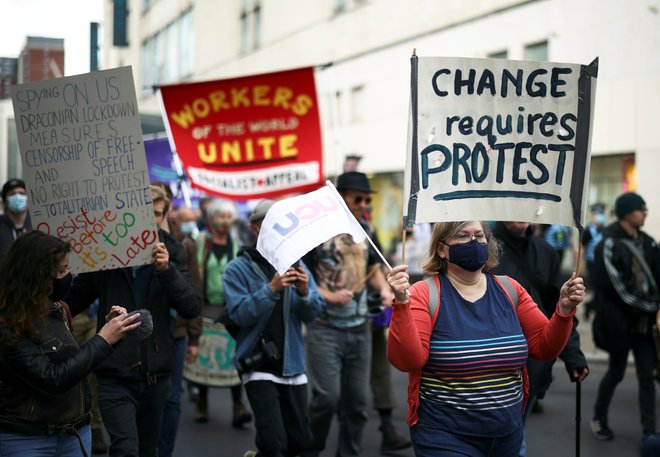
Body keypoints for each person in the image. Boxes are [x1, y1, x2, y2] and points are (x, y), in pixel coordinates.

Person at [386, 220, 585, 456]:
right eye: (462, 235)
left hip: (508, 435)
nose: (474, 242)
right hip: (445, 437)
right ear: (441, 249)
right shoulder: (424, 293)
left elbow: (544, 347)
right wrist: (401, 303)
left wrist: (563, 310)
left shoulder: (510, 289)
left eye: (479, 236)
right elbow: (407, 360)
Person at [65, 185, 202, 457]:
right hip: (114, 371)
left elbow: (191, 306)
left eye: (158, 215)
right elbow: (73, 300)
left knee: (148, 450)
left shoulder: (172, 252)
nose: (152, 222)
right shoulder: (105, 254)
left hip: (156, 373)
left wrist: (168, 271)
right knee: (125, 448)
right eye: (146, 214)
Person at [0, 231, 142, 456]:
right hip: (27, 439)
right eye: (62, 271)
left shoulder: (57, 310)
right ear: (38, 275)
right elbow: (53, 377)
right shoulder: (8, 322)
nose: (68, 276)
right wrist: (103, 339)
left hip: (74, 434)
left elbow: (75, 363)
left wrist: (112, 333)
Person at [302, 171, 394, 457]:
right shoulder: (316, 230)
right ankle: (312, 449)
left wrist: (385, 290)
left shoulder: (367, 228)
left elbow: (373, 268)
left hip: (360, 328)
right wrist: (327, 295)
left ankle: (349, 453)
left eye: (367, 198)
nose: (364, 203)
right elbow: (301, 273)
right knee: (327, 398)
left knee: (357, 402)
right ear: (340, 198)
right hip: (324, 327)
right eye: (358, 198)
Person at [223, 199, 325, 457]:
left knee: (300, 442)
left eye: (283, 224)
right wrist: (271, 289)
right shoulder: (237, 269)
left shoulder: (297, 263)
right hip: (257, 365)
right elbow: (238, 315)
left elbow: (313, 311)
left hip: (292, 365)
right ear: (256, 229)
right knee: (273, 444)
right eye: (272, 224)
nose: (280, 229)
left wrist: (304, 292)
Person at [490, 221, 589, 456]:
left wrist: (573, 355)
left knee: (514, 437)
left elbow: (561, 309)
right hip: (491, 363)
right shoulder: (484, 247)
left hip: (535, 363)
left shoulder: (545, 251)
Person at [590, 192, 660, 442]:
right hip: (618, 322)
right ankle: (599, 417)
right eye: (641, 209)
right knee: (616, 372)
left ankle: (650, 433)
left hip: (644, 325)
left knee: (646, 378)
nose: (645, 213)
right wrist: (653, 306)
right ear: (627, 213)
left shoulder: (649, 243)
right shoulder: (608, 244)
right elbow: (619, 291)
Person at [190, 198, 252, 426]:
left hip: (230, 308)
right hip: (206, 307)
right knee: (205, 355)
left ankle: (238, 406)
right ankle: (202, 403)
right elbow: (194, 271)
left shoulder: (235, 243)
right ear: (211, 219)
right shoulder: (202, 242)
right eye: (220, 216)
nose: (224, 221)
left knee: (232, 356)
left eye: (228, 217)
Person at [158, 206, 203, 457]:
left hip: (178, 333)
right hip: (151, 333)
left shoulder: (186, 246)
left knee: (173, 397)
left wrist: (195, 337)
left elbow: (195, 294)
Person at [580, 203, 607, 319]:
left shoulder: (605, 230)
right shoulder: (588, 231)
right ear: (592, 215)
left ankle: (590, 307)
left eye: (602, 213)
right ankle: (590, 307)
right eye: (597, 214)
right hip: (592, 264)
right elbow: (582, 249)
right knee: (597, 288)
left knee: (600, 290)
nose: (600, 216)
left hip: (603, 264)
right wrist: (579, 266)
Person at [0, 178, 32, 258]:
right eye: (12, 194)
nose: (18, 197)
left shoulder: (36, 224)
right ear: (5, 201)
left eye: (21, 193)